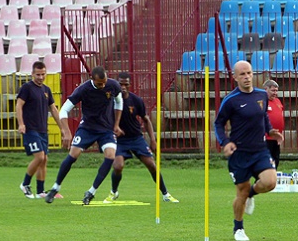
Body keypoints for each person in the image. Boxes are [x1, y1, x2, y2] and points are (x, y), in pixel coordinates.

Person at [214, 61, 284, 241]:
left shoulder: (262, 95)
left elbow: (263, 117)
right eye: (242, 74)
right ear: (235, 77)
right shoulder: (231, 100)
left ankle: (252, 193)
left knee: (270, 182)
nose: (246, 77)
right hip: (240, 154)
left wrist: (270, 131)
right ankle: (238, 228)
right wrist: (225, 142)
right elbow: (218, 123)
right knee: (241, 193)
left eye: (249, 73)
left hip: (260, 150)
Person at [44, 66, 124, 205]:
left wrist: (116, 124)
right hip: (87, 128)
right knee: (73, 155)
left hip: (106, 130)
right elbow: (64, 110)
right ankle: (55, 188)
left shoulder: (113, 85)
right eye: (100, 83)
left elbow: (119, 101)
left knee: (110, 156)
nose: (103, 85)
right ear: (92, 79)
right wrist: (67, 132)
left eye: (105, 82)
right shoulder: (83, 89)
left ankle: (91, 192)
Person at [103, 72, 179, 204]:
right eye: (120, 84)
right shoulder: (111, 101)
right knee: (118, 166)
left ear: (130, 85)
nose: (123, 87)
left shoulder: (136, 101)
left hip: (136, 138)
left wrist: (153, 140)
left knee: (151, 165)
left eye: (126, 84)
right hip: (120, 141)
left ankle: (166, 194)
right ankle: (114, 192)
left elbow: (146, 120)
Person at [16, 61, 71, 198]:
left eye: (43, 74)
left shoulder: (46, 90)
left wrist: (63, 128)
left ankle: (40, 191)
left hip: (42, 130)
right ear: (32, 74)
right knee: (39, 156)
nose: (40, 77)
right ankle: (25, 184)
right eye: (38, 74)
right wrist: (21, 124)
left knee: (44, 159)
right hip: (30, 129)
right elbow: (18, 105)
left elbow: (53, 109)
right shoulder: (27, 88)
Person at [263, 79, 284, 170]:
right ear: (265, 89)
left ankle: (272, 181)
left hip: (276, 137)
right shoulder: (262, 102)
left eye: (276, 91)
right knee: (267, 161)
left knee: (276, 160)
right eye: (273, 90)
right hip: (266, 137)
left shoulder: (278, 101)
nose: (275, 93)